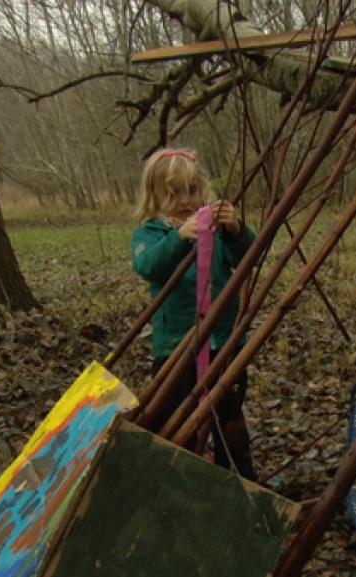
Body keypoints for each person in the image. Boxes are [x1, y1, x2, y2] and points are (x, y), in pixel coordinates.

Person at [131, 148, 256, 479]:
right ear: (154, 197)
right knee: (178, 415)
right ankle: (185, 476)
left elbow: (247, 257)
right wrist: (178, 238)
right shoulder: (150, 233)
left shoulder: (214, 229)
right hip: (177, 347)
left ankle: (239, 477)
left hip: (223, 341)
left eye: (193, 190)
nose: (187, 200)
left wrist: (236, 230)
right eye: (174, 194)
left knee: (228, 413)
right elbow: (148, 265)